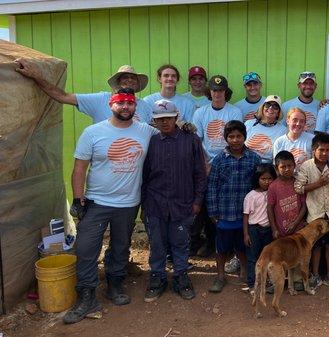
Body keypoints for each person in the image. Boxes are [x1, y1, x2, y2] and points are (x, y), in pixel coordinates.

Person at [63, 89, 159, 324]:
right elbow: (79, 168)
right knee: (86, 248)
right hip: (97, 201)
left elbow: (170, 130)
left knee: (120, 246)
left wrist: (187, 127)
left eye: (130, 103)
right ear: (111, 105)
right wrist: (78, 199)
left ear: (135, 106)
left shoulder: (146, 131)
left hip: (128, 203)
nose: (125, 107)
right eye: (120, 103)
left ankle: (114, 284)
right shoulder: (93, 132)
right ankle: (86, 296)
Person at [141, 99, 207, 302]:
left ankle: (180, 277)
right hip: (155, 202)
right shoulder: (151, 141)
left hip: (183, 202)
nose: (164, 122)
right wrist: (144, 205)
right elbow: (144, 175)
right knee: (158, 243)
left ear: (176, 117)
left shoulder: (191, 139)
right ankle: (158, 277)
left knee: (180, 242)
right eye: (159, 119)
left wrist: (197, 200)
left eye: (168, 118)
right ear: (154, 120)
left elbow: (199, 173)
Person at [207, 120, 261, 293]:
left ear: (245, 137)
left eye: (239, 136)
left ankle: (244, 273)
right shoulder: (219, 160)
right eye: (231, 136)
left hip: (245, 214)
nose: (236, 140)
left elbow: (258, 186)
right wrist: (213, 211)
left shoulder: (253, 158)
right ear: (226, 138)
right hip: (224, 213)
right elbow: (212, 186)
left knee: (243, 245)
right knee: (222, 247)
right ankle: (220, 276)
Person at [15, 60, 153, 123]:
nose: (129, 80)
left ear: (137, 84)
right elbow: (62, 96)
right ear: (117, 82)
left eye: (133, 78)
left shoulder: (145, 106)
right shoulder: (99, 99)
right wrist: (35, 75)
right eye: (125, 78)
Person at [294, 133, 329, 289]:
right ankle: (315, 275)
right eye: (321, 150)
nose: (324, 153)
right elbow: (299, 188)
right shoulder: (306, 167)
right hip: (314, 216)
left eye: (328, 150)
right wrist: (319, 183)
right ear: (314, 149)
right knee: (315, 246)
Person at [267, 151, 308, 291]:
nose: (286, 169)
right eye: (282, 166)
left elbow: (304, 206)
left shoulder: (298, 183)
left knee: (297, 253)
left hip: (298, 228)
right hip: (281, 229)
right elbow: (270, 208)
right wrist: (274, 228)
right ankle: (279, 281)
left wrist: (296, 223)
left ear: (295, 165)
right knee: (280, 255)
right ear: (276, 168)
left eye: (289, 166)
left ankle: (297, 280)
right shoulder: (273, 187)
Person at [192, 75, 243, 163]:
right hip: (207, 161)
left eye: (220, 90)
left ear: (225, 91)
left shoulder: (235, 112)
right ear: (209, 91)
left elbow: (237, 141)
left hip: (230, 160)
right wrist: (204, 163)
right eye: (214, 90)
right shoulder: (200, 113)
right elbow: (197, 141)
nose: (217, 94)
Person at [243, 163, 277, 290]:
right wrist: (246, 234)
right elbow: (245, 216)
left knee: (268, 257)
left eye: (269, 179)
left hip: (268, 229)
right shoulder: (251, 196)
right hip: (254, 230)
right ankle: (252, 283)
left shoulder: (273, 193)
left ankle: (267, 281)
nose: (267, 182)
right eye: (263, 179)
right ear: (257, 179)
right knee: (253, 257)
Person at [245, 95, 287, 162]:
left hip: (267, 167)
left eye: (275, 106)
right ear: (262, 108)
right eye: (267, 105)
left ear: (278, 112)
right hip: (247, 163)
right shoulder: (249, 124)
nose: (271, 108)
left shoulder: (283, 130)